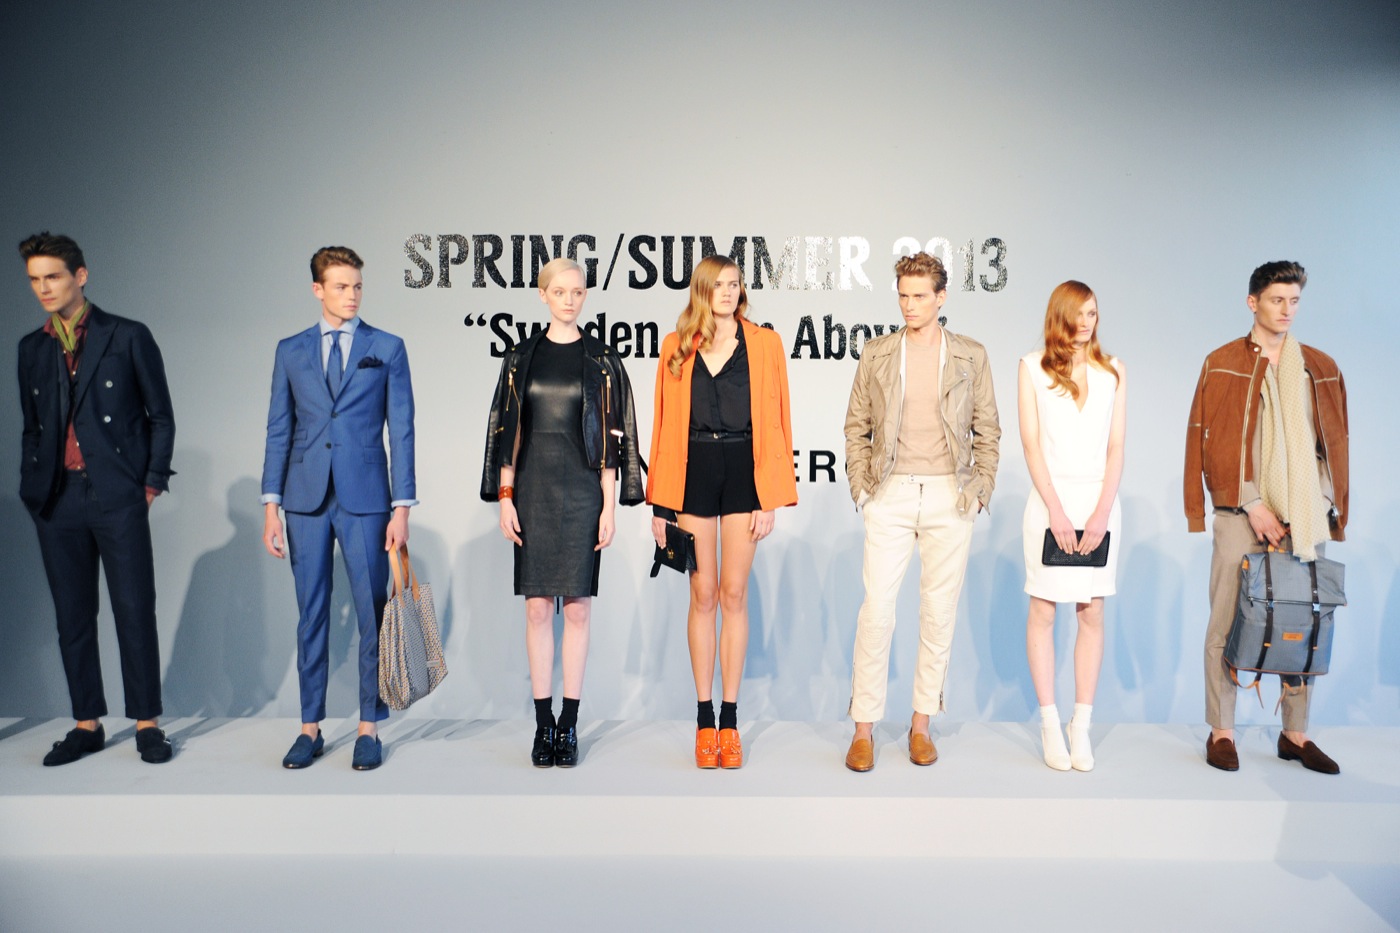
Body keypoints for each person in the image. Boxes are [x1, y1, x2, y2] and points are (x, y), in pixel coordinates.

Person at [17, 232, 176, 766]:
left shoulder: (126, 336)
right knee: (73, 616)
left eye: (53, 276)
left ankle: (147, 723)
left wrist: (148, 485)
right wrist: (33, 489)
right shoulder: (32, 348)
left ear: (80, 276)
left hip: (116, 494)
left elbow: (161, 416)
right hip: (56, 499)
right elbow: (33, 428)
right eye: (35, 279)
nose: (43, 288)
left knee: (134, 608)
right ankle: (86, 724)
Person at [1185, 261, 1348, 774]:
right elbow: (1212, 443)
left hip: (1304, 514)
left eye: (1294, 300)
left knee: (1303, 618)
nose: (1287, 310)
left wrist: (1316, 503)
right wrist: (1252, 502)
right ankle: (1222, 731)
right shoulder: (1223, 362)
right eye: (1278, 300)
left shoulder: (1318, 367)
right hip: (1241, 511)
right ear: (1252, 302)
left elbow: (1331, 447)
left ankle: (1295, 735)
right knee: (1227, 618)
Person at [481, 257, 644, 768]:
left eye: (577, 292)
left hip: (582, 493)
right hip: (532, 490)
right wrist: (505, 497)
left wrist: (609, 507)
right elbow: (508, 432)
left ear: (585, 296)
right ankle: (542, 724)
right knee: (536, 609)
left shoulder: (602, 360)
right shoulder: (520, 359)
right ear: (543, 295)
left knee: (576, 609)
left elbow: (612, 441)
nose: (569, 300)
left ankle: (568, 724)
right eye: (559, 292)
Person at [843, 252, 1000, 772]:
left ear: (941, 297)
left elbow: (987, 428)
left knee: (937, 613)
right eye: (903, 296)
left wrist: (980, 488)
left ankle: (921, 725)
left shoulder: (970, 355)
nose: (909, 305)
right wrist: (863, 490)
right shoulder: (878, 353)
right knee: (876, 611)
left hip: (949, 496)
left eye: (919, 296)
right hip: (889, 492)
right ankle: (863, 729)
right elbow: (857, 425)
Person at [261, 246, 416, 771]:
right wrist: (271, 505)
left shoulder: (387, 347)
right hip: (304, 498)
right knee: (311, 613)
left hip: (367, 498)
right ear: (318, 289)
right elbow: (279, 429)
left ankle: (369, 726)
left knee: (372, 611)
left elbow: (402, 430)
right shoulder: (290, 351)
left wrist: (402, 507)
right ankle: (310, 727)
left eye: (357, 286)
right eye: (341, 286)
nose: (352, 295)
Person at [647, 255, 797, 769]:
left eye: (735, 284)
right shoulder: (676, 346)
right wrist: (661, 504)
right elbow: (662, 427)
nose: (728, 292)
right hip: (692, 469)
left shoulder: (766, 343)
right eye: (719, 285)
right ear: (702, 291)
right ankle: (703, 718)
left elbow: (780, 422)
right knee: (703, 593)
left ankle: (729, 722)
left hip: (743, 470)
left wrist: (770, 496)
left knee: (733, 593)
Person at [1019, 281, 1126, 771]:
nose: (1086, 323)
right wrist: (1057, 511)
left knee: (1091, 612)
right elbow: (1031, 446)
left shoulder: (1114, 371)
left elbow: (1116, 447)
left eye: (1093, 314)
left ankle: (1080, 724)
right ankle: (1049, 721)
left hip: (1100, 506)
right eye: (1079, 314)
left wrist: (1101, 513)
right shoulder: (1032, 367)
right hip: (1050, 504)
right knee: (1044, 609)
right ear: (1060, 316)